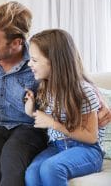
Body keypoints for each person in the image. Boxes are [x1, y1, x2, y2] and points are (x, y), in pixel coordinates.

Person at [0, 1, 48, 186]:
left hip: (28, 129)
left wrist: (97, 94)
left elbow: (71, 72)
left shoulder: (37, 59)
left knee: (12, 160)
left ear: (16, 43)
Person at [24, 29, 104, 185]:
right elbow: (43, 120)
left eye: (34, 60)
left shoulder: (83, 91)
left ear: (53, 61)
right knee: (31, 173)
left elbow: (91, 137)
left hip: (87, 150)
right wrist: (31, 109)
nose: (29, 64)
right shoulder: (46, 88)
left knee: (51, 167)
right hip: (57, 146)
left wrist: (54, 124)